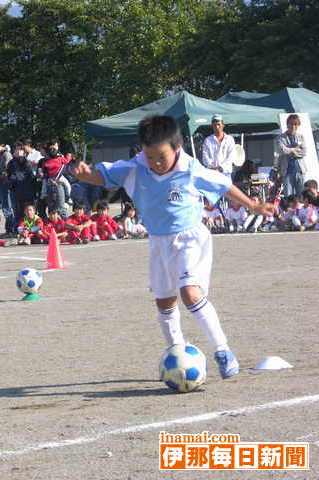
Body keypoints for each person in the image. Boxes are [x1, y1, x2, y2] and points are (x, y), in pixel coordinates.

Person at [72, 114, 275, 379]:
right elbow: (104, 174)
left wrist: (253, 205)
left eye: (162, 157)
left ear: (177, 148)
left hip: (190, 238)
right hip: (158, 241)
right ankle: (177, 351)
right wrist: (87, 176)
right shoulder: (136, 167)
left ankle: (223, 350)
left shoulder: (190, 169)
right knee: (164, 303)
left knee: (189, 294)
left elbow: (224, 185)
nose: (155, 163)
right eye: (149, 156)